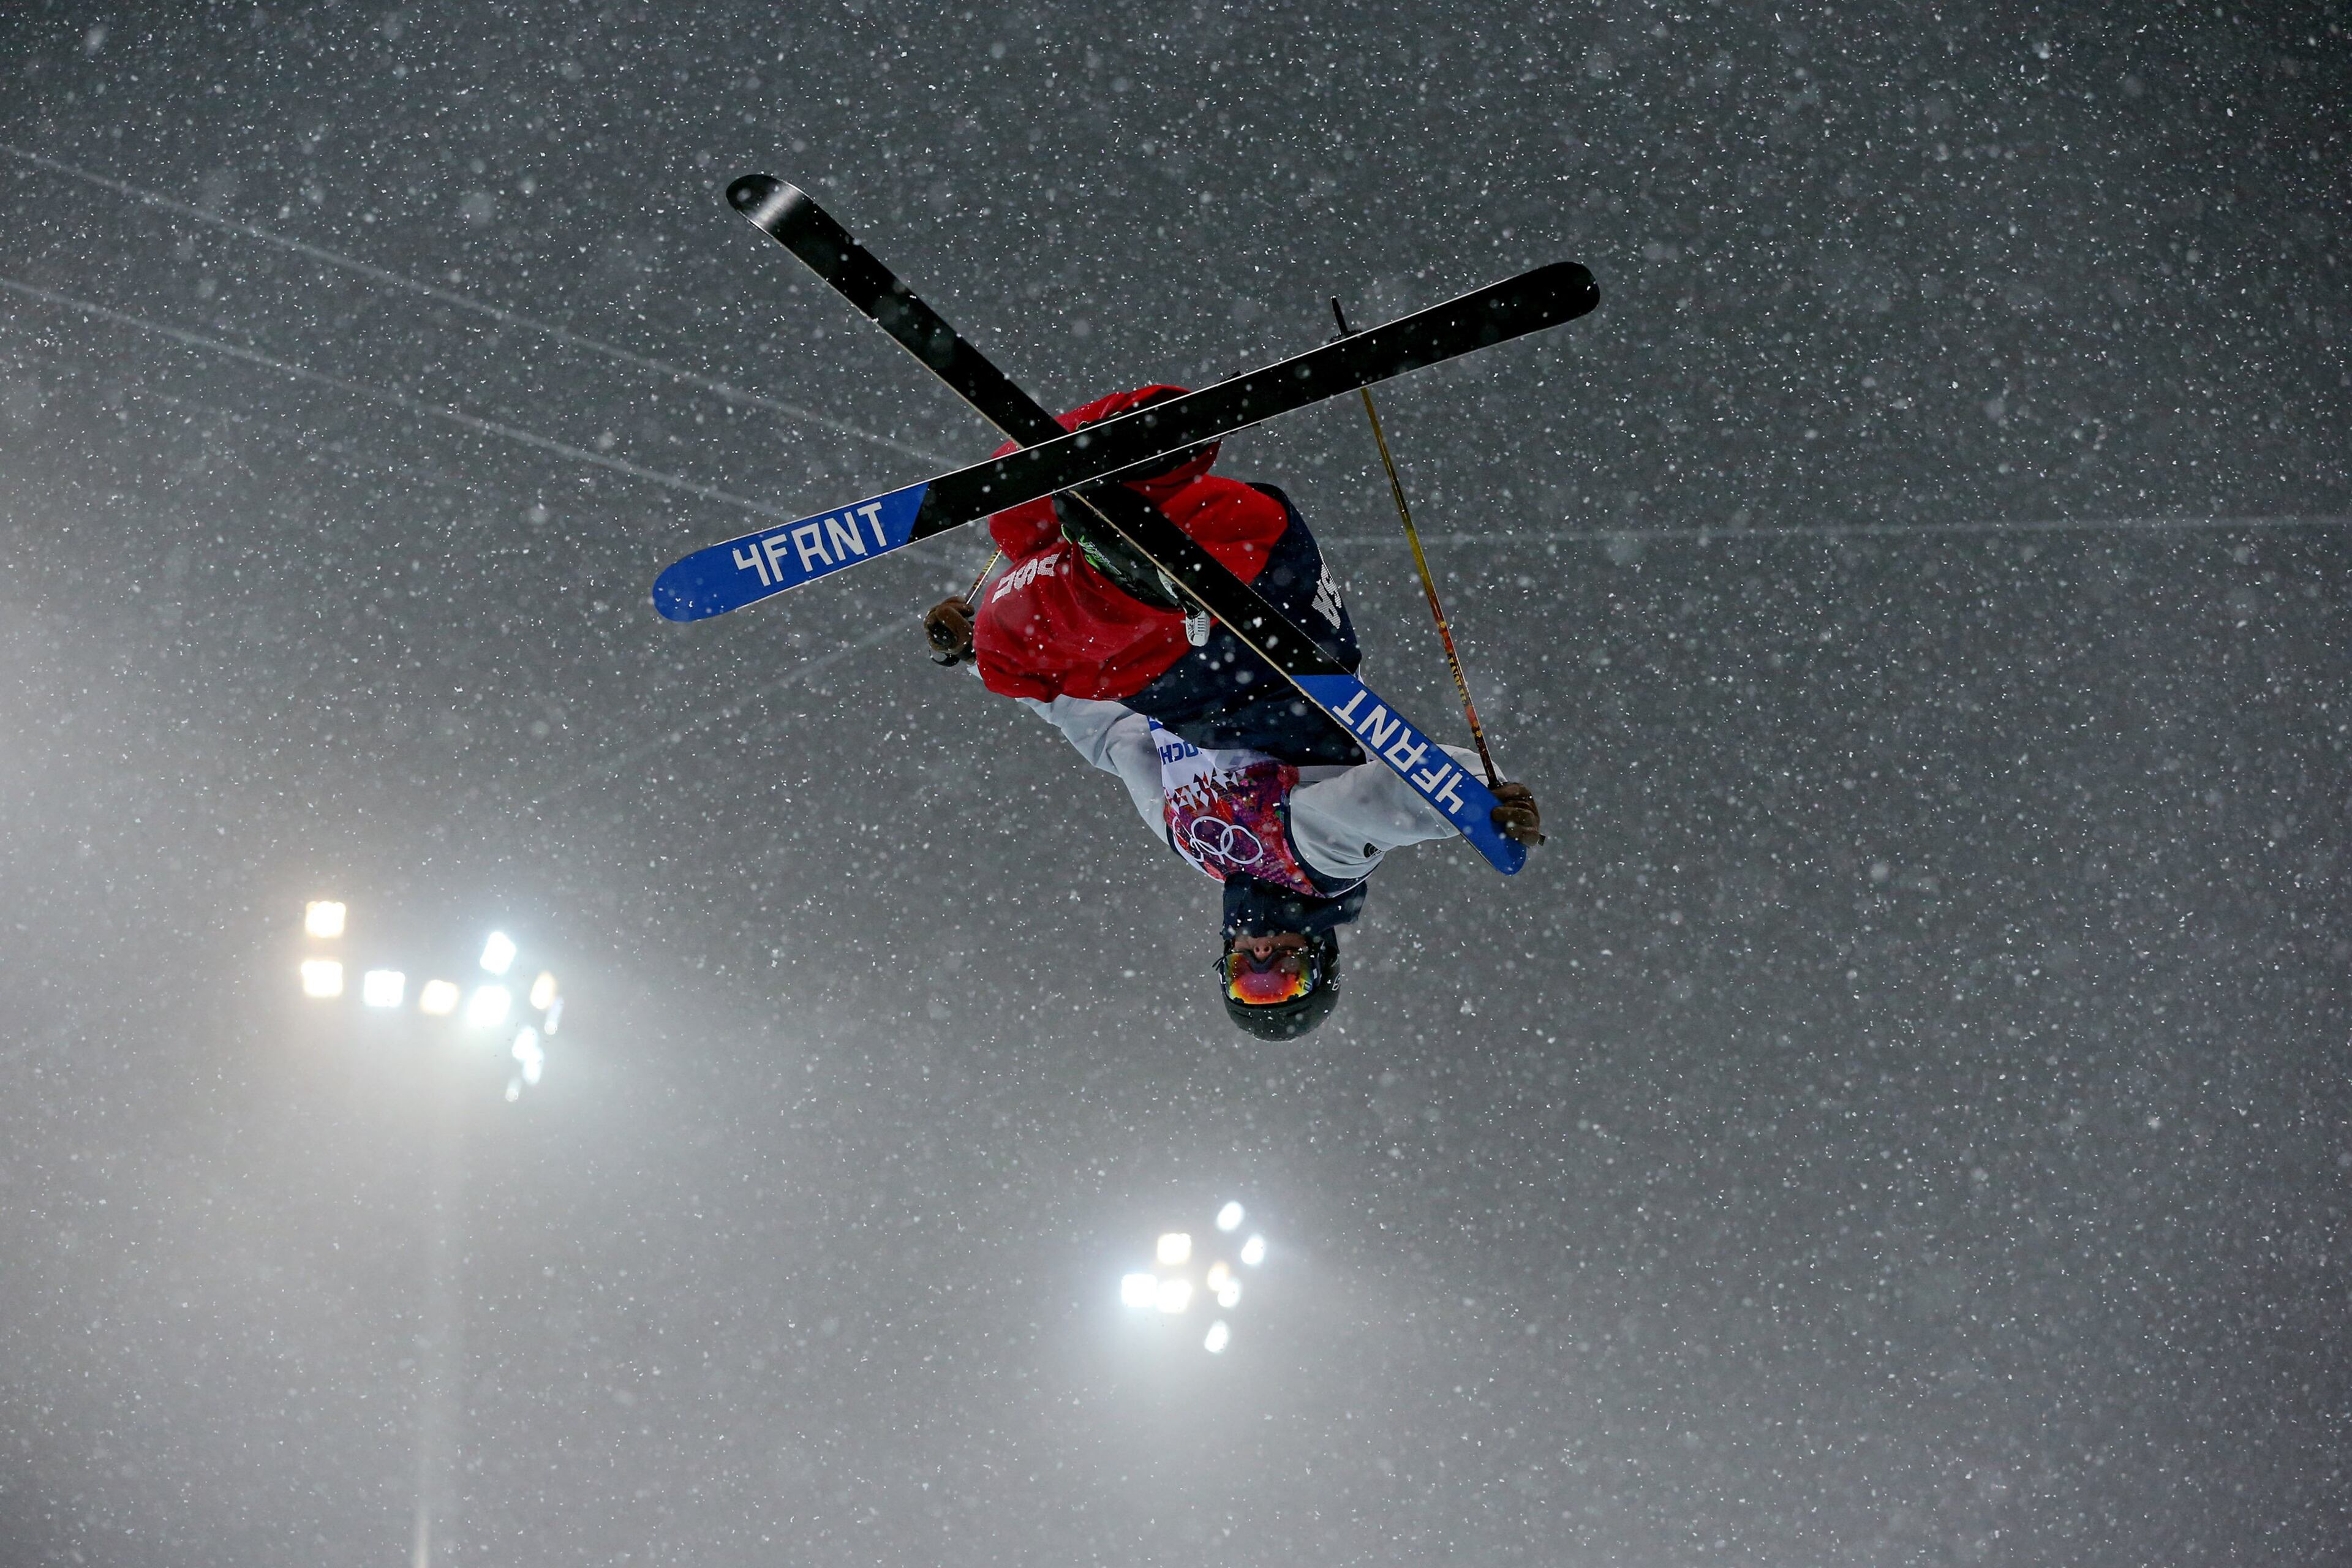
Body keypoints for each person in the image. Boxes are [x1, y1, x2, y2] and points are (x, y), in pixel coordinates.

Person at [925, 386, 1542, 1039]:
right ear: (1320, 954)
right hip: (1267, 619)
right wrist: (1476, 803)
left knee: (1016, 550)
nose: (1263, 957)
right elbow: (1395, 801)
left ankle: (1126, 454)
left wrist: (970, 653)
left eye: (1248, 978)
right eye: (1286, 974)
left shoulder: (1190, 844)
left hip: (1209, 578)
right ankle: (1125, 545)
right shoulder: (1321, 862)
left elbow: (1106, 733)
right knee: (1016, 637)